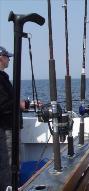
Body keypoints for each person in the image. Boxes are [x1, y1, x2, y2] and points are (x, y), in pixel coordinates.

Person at [0, 46, 31, 190]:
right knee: (9, 166)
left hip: (10, 128)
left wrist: (23, 103)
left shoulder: (3, 77)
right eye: (7, 57)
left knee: (15, 164)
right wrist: (19, 104)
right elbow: (3, 104)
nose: (9, 59)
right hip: (6, 129)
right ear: (1, 58)